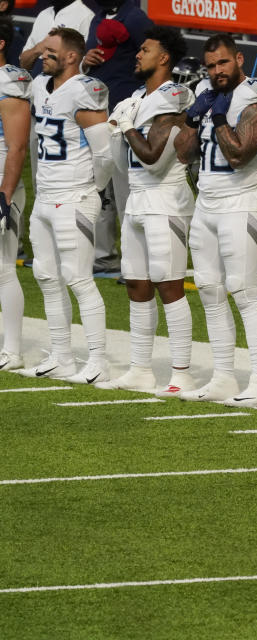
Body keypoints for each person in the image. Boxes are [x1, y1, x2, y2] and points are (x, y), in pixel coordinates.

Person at [173, 35, 257, 407]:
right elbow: (184, 153)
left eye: (223, 63)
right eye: (211, 66)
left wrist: (216, 114)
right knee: (209, 289)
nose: (217, 71)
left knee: (244, 292)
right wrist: (191, 116)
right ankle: (223, 376)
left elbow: (237, 153)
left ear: (238, 59)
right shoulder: (207, 94)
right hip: (207, 204)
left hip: (241, 203)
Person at [95, 26, 196, 397]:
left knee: (169, 285)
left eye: (146, 49)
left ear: (164, 57)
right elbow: (109, 156)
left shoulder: (175, 94)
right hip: (136, 199)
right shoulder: (135, 99)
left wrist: (124, 126)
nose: (138, 55)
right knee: (137, 284)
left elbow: (153, 157)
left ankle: (182, 371)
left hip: (165, 199)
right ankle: (140, 368)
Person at [19, 27, 114, 383]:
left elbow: (104, 153)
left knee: (78, 278)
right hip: (45, 195)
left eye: (51, 50)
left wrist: (94, 187)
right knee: (46, 275)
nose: (44, 54)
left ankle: (98, 359)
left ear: (72, 56)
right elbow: (25, 66)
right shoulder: (41, 86)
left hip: (74, 196)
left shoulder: (84, 90)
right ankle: (61, 356)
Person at [81, 0, 154, 276]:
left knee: (125, 189)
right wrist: (86, 61)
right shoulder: (97, 16)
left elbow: (154, 56)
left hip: (126, 113)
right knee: (98, 186)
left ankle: (134, 260)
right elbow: (94, 55)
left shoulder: (135, 18)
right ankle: (103, 254)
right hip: (97, 112)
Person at [0, 17, 29, 371]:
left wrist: (5, 195)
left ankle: (12, 350)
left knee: (4, 268)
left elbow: (18, 146)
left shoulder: (11, 81)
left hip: (1, 178)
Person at [18, 1, 94, 74]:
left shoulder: (86, 17)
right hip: (36, 83)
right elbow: (24, 64)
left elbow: (83, 68)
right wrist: (39, 48)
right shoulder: (44, 14)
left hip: (66, 85)